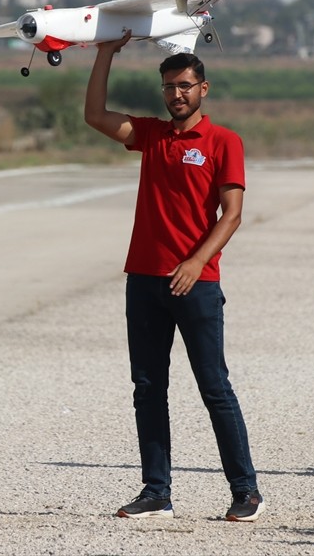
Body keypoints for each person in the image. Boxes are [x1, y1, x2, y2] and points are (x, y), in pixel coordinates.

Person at [84, 30, 264, 523]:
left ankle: (246, 490)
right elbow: (95, 117)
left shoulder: (224, 141)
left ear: (203, 88)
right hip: (143, 279)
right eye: (168, 87)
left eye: (184, 85)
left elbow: (232, 214)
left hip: (196, 283)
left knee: (214, 387)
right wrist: (105, 53)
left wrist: (195, 261)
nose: (176, 94)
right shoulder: (152, 135)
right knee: (147, 388)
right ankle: (156, 492)